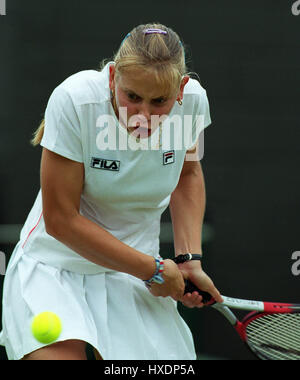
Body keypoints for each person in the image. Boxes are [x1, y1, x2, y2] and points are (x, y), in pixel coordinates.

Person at [0, 22, 222, 360]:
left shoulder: (193, 103)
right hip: (54, 270)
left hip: (136, 275)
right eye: (132, 97)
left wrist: (188, 259)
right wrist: (156, 270)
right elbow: (60, 220)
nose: (143, 116)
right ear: (112, 77)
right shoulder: (75, 100)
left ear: (181, 90)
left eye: (159, 101)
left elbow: (187, 173)